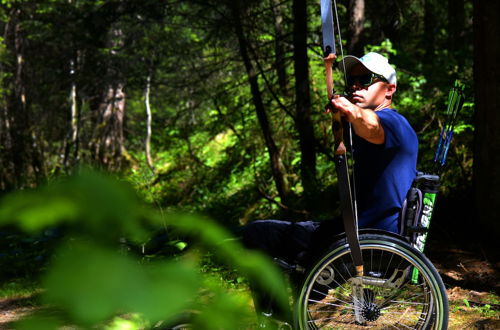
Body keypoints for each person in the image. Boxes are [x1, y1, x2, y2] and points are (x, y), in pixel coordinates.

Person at [241, 52, 418, 320]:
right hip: (352, 233)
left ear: (390, 89)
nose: (357, 85)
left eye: (366, 79)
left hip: (365, 240)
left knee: (258, 235)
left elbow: (370, 124)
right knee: (270, 243)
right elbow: (362, 127)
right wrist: (343, 116)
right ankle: (284, 317)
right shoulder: (374, 127)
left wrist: (348, 109)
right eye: (353, 80)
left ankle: (278, 321)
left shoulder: (394, 123)